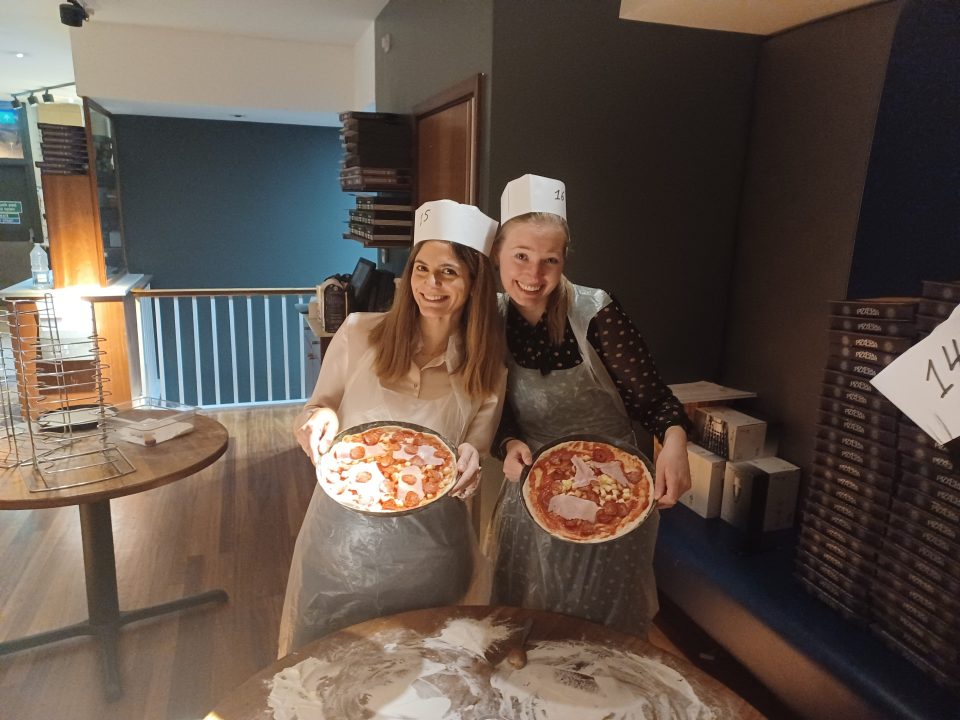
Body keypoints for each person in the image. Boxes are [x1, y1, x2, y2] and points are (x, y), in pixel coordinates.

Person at [279, 199, 506, 657]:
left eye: (449, 272)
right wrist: (317, 420)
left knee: (425, 675)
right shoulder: (360, 332)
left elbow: (474, 450)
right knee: (327, 668)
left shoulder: (486, 368)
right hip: (340, 544)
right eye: (421, 268)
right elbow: (317, 407)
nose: (430, 284)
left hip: (433, 554)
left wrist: (470, 462)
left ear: (475, 283)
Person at [487, 174, 692, 637]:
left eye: (549, 261)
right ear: (498, 253)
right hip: (534, 489)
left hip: (613, 489)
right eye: (521, 256)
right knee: (527, 620)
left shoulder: (595, 312)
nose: (533, 275)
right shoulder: (491, 319)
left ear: (564, 262)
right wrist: (509, 442)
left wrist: (675, 444)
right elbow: (494, 413)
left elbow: (657, 401)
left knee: (600, 627)